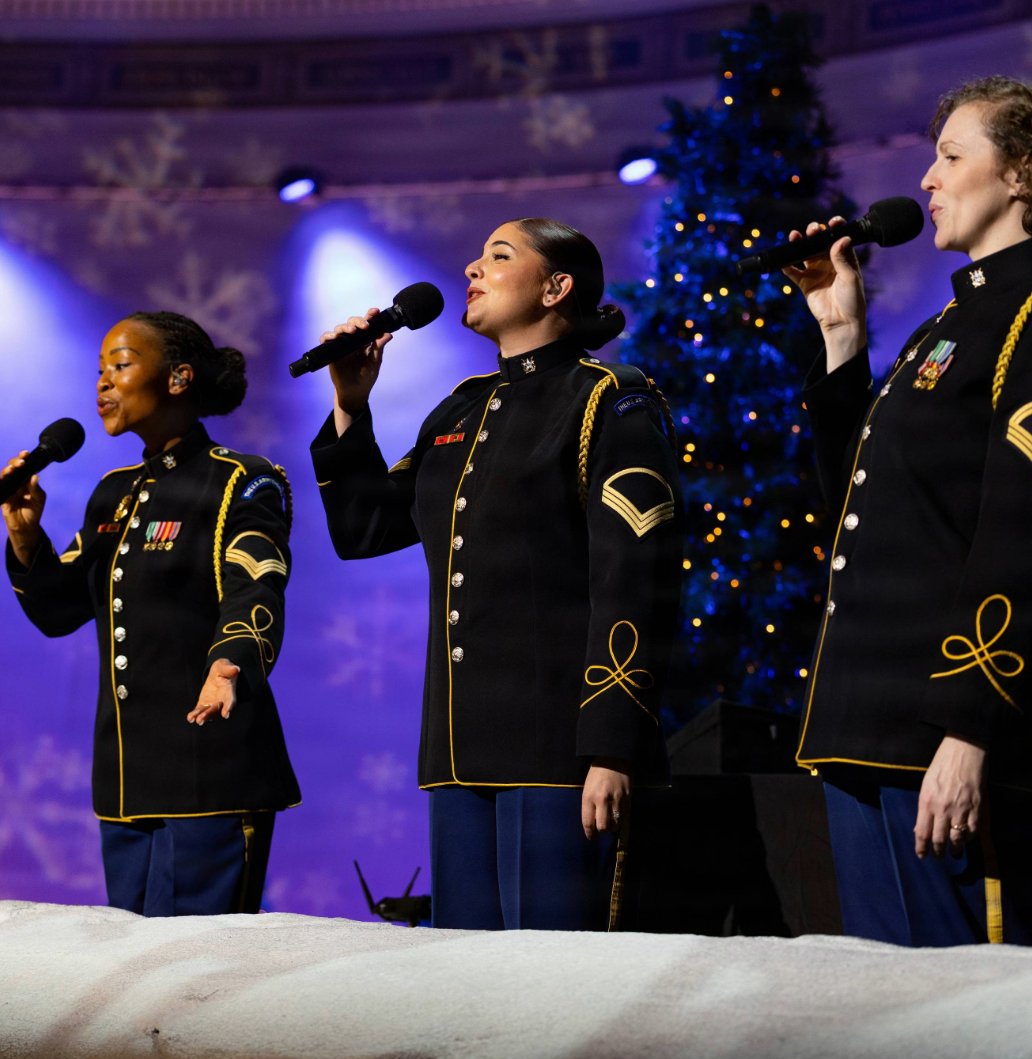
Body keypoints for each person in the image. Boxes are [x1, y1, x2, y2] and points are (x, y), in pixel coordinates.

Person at [310, 218, 682, 931]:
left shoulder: (610, 397)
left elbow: (636, 576)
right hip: (456, 754)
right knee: (466, 990)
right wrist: (350, 406)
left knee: (553, 986)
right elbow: (365, 529)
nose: (473, 269)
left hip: (559, 751)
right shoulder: (461, 407)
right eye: (477, 255)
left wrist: (612, 742)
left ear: (556, 287)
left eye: (499, 256)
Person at [784, 76, 1032, 946]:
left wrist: (970, 729)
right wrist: (841, 338)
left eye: (952, 156)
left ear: (1023, 173)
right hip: (867, 722)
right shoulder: (948, 325)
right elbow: (861, 507)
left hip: (943, 730)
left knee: (965, 1022)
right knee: (892, 1018)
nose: (927, 178)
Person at [2, 312, 300, 917]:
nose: (103, 384)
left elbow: (257, 584)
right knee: (134, 982)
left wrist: (229, 665)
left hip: (209, 765)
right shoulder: (112, 491)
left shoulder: (242, 480)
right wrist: (28, 541)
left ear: (178, 377)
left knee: (198, 981)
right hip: (126, 779)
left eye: (121, 365)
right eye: (99, 371)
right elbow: (61, 611)